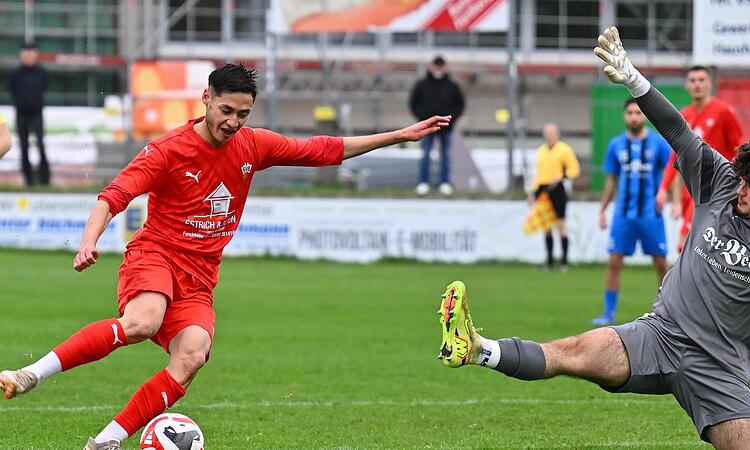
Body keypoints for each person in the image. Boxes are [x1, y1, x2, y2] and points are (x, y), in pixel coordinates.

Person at [0, 63, 451, 450]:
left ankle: (105, 441)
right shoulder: (168, 150)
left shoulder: (253, 145)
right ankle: (29, 374)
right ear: (206, 100)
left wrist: (399, 135)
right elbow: (112, 196)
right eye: (226, 110)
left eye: (243, 114)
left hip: (199, 278)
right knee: (142, 322)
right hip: (155, 255)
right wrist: (88, 241)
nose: (234, 122)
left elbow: (322, 149)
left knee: (193, 355)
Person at [437, 27, 750, 449]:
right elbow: (678, 130)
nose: (741, 189)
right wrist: (634, 80)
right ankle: (477, 348)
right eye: (742, 179)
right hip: (659, 336)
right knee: (572, 352)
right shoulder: (721, 183)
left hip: (719, 369)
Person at [594, 98, 671, 326]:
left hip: (651, 213)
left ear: (644, 116)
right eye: (630, 113)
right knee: (614, 261)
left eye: (638, 113)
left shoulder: (657, 143)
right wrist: (602, 209)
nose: (634, 117)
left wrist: (671, 198)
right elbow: (611, 179)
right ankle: (608, 313)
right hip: (623, 214)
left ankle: (669, 311)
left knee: (661, 262)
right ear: (624, 116)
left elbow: (671, 171)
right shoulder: (616, 145)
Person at [655, 66, 744, 252]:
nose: (697, 84)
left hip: (714, 187)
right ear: (686, 85)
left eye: (702, 80)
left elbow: (739, 150)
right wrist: (663, 188)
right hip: (690, 189)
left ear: (710, 83)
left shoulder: (724, 111)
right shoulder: (684, 115)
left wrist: (739, 183)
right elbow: (676, 155)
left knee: (685, 242)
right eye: (693, 80)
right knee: (698, 247)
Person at [408, 55, 465, 196]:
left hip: (446, 128)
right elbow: (413, 103)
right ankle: (423, 183)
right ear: (431, 67)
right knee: (425, 155)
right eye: (436, 66)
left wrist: (451, 120)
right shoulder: (422, 85)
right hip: (426, 128)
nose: (438, 69)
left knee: (446, 156)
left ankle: (445, 183)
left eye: (441, 66)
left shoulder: (452, 86)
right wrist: (422, 119)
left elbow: (460, 105)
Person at [527, 123, 580, 269]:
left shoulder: (564, 149)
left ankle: (564, 261)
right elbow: (539, 175)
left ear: (557, 134)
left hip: (558, 189)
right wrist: (533, 193)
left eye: (552, 133)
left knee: (561, 225)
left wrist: (562, 177)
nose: (549, 135)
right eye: (547, 133)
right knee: (546, 226)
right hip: (543, 190)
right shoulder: (541, 150)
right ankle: (549, 260)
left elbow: (574, 169)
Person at [8, 42, 49, 186]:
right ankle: (28, 180)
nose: (29, 57)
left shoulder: (41, 72)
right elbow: (12, 90)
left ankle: (45, 180)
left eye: (32, 54)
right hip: (21, 114)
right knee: (24, 146)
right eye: (26, 54)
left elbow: (43, 88)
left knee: (41, 145)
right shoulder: (16, 73)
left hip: (37, 113)